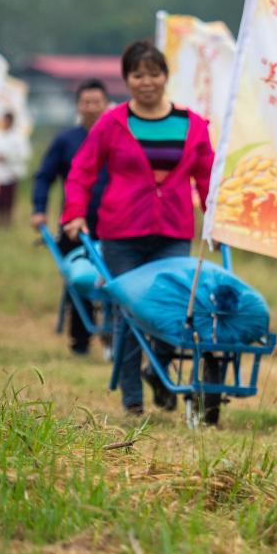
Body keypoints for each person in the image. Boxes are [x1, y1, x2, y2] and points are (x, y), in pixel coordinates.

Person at [62, 41, 215, 416]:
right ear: (127, 79)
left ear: (165, 76)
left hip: (173, 232)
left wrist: (215, 218)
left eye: (154, 73)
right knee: (127, 312)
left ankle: (159, 371)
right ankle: (132, 400)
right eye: (137, 74)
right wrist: (75, 214)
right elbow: (82, 170)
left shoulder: (191, 124)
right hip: (122, 234)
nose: (146, 82)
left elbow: (207, 176)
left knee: (171, 307)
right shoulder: (112, 124)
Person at [31, 78, 111, 357]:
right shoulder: (66, 141)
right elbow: (44, 176)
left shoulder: (118, 140)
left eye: (96, 102)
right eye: (85, 102)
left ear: (106, 105)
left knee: (115, 282)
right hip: (76, 228)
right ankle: (80, 341)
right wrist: (39, 209)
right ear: (78, 106)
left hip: (113, 227)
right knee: (82, 281)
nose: (90, 107)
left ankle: (114, 337)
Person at [0, 111, 30, 226]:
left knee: (8, 199)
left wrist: (8, 157)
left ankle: (6, 222)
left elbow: (25, 153)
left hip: (10, 172)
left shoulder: (18, 137)